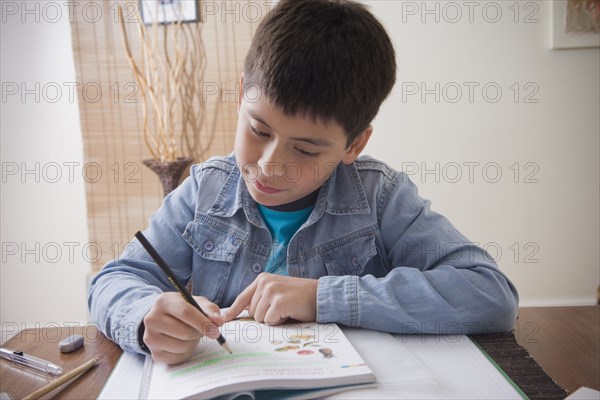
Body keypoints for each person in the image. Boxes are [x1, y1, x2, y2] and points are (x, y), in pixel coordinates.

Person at [89, 0, 519, 365]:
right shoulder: (205, 191)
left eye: (307, 151)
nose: (270, 166)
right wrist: (147, 314)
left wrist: (323, 298)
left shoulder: (380, 197)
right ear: (242, 96)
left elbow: (490, 295)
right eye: (258, 131)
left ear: (355, 144)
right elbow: (113, 281)